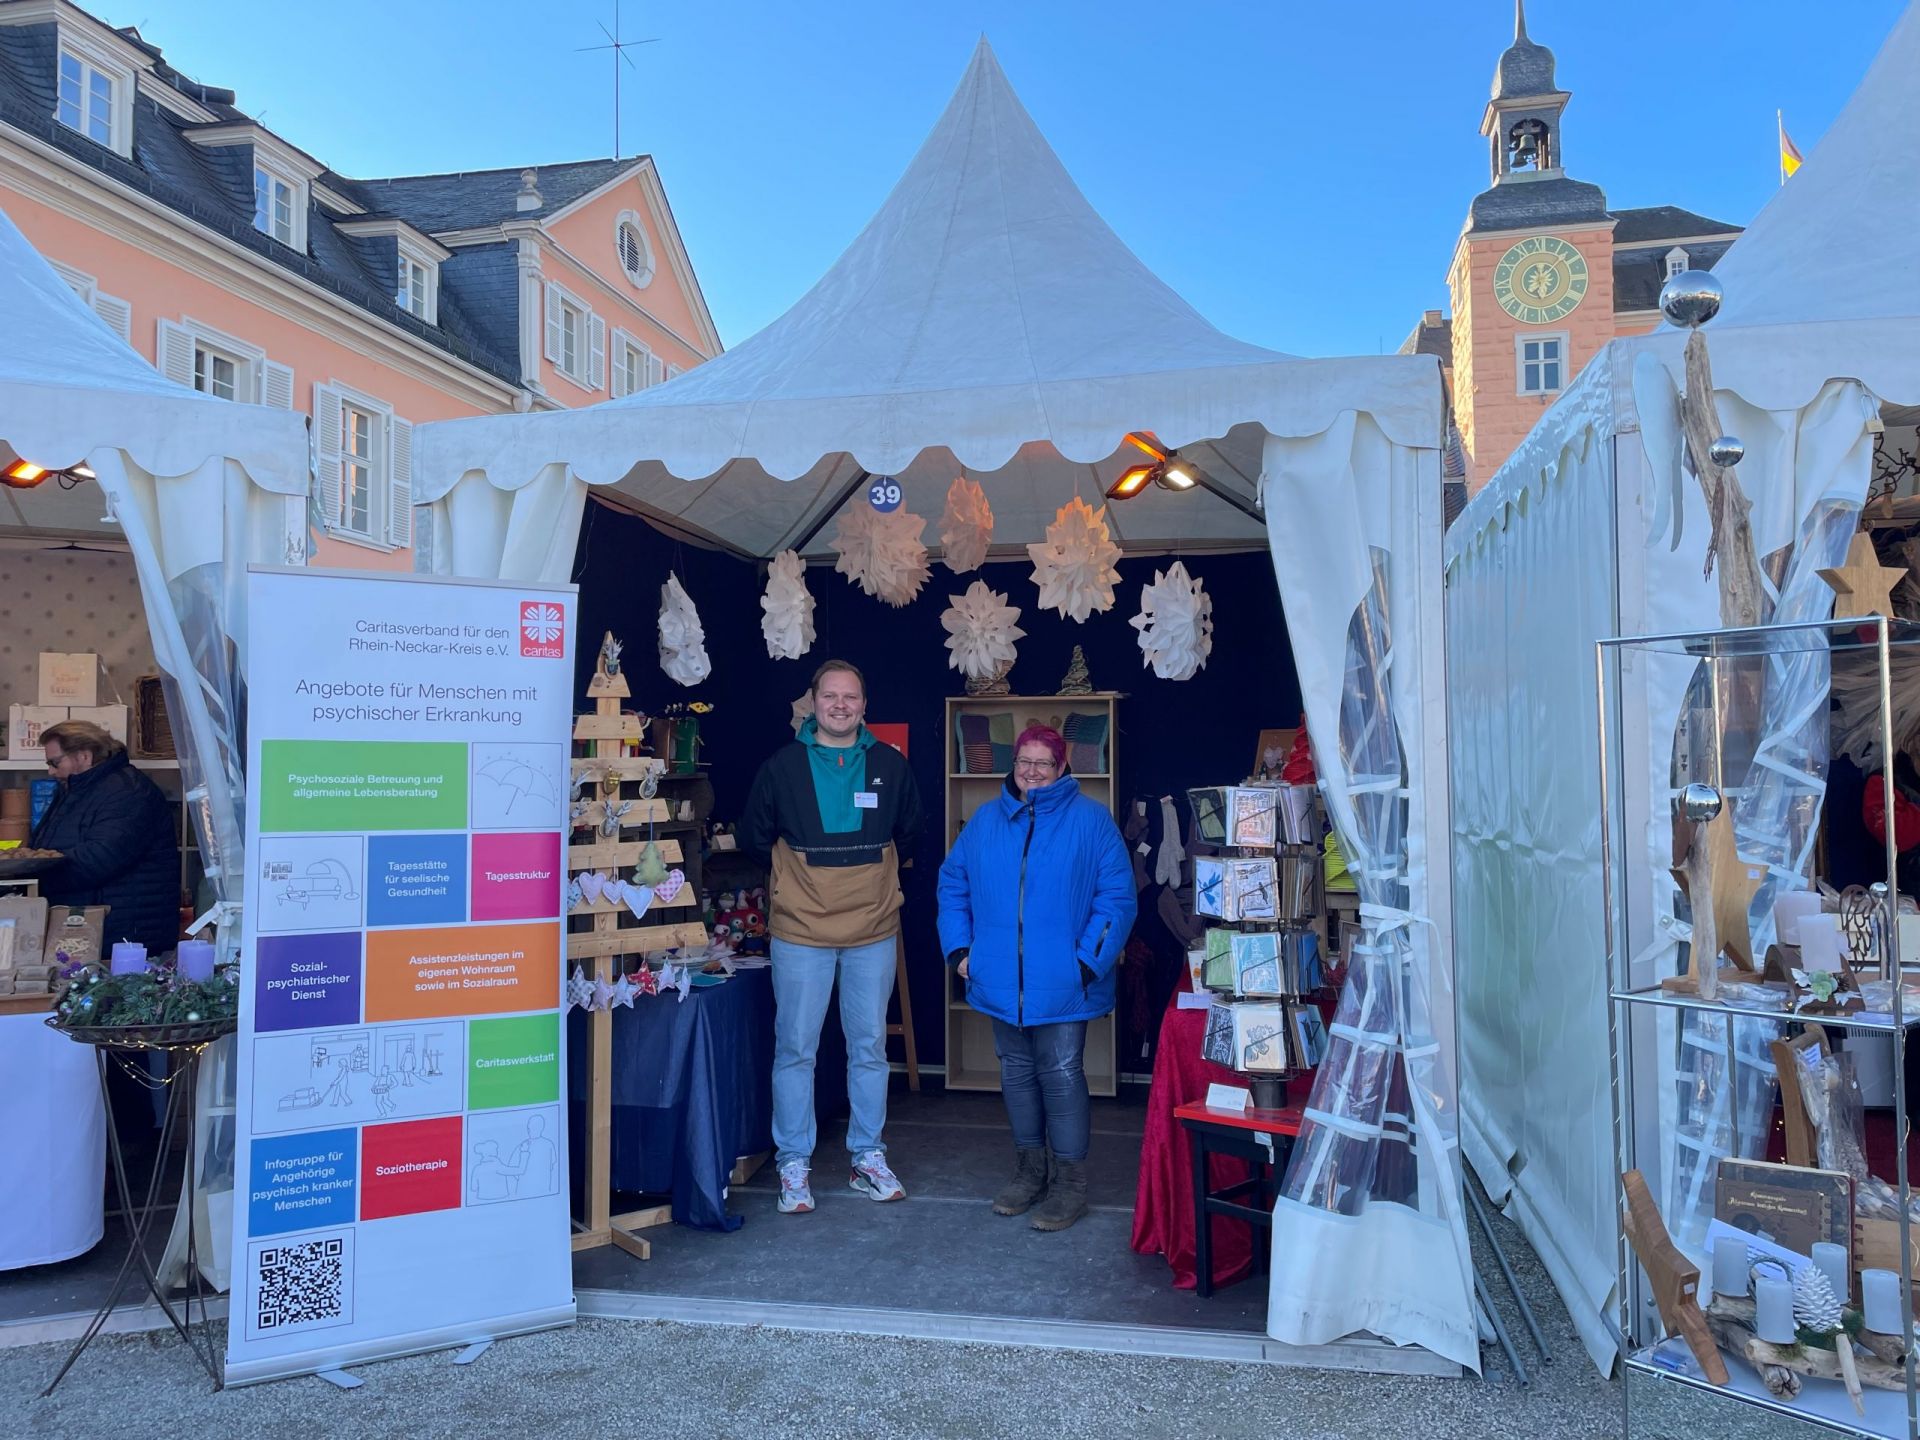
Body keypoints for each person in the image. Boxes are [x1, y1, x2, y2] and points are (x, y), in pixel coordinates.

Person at [741, 660, 924, 1214]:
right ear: (812, 703)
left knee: (868, 1047)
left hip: (872, 931)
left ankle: (867, 1155)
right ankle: (793, 1162)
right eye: (830, 697)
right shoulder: (781, 767)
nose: (840, 706)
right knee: (797, 1049)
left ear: (864, 706)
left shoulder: (890, 767)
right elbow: (754, 838)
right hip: (800, 933)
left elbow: (911, 833)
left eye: (851, 697)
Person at [937, 723, 1135, 1231]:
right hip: (999, 979)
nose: (1031, 772)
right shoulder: (985, 821)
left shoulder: (1092, 822)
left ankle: (1070, 1183)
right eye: (1024, 761)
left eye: (1043, 763)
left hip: (1066, 982)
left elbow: (1116, 899)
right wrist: (961, 950)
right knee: (1017, 1074)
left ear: (1063, 767)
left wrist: (1086, 962)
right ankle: (1030, 1171)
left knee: (1062, 1073)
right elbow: (952, 882)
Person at [33, 720, 180, 955]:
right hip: (96, 929)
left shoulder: (128, 791)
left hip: (124, 937)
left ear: (84, 756)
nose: (50, 771)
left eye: (55, 762)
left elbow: (100, 857)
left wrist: (33, 876)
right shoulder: (76, 790)